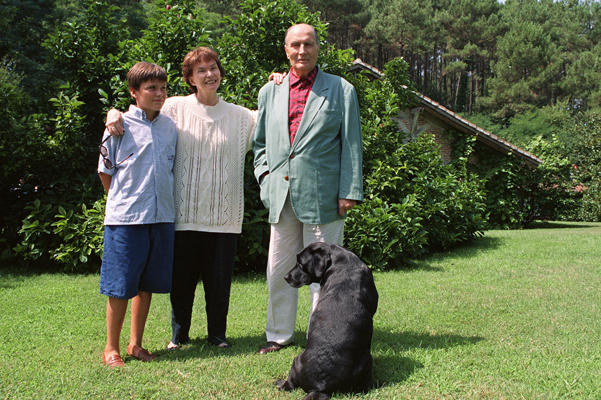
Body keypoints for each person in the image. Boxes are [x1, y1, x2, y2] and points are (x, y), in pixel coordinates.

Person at [105, 47, 284, 350]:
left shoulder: (242, 117)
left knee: (219, 283)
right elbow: (140, 114)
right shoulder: (173, 108)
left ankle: (218, 336)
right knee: (181, 283)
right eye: (201, 70)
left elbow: (273, 119)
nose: (209, 74)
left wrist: (278, 84)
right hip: (181, 215)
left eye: (213, 68)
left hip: (225, 216)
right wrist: (113, 113)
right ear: (190, 78)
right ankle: (179, 336)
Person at [253, 23, 363, 354]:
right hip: (281, 195)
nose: (302, 50)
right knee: (278, 269)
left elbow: (351, 144)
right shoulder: (269, 91)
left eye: (308, 44)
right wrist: (265, 178)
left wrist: (349, 190)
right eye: (295, 45)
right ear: (286, 50)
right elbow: (260, 144)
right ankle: (278, 335)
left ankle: (321, 337)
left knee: (325, 274)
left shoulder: (341, 89)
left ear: (318, 47)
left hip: (324, 196)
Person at [98, 61, 178, 367]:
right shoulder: (118, 126)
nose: (159, 94)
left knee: (146, 285)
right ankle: (111, 348)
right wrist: (124, 200)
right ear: (134, 92)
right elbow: (105, 171)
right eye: (151, 88)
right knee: (120, 286)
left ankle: (136, 344)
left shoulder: (170, 127)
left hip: (161, 217)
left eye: (163, 88)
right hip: (126, 220)